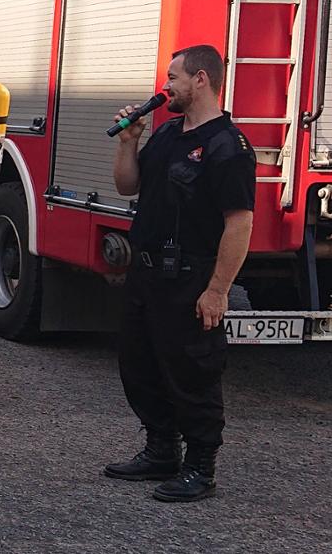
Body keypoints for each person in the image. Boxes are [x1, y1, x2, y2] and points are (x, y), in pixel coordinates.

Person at [105, 45, 255, 503]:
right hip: (148, 274)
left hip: (191, 277)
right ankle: (161, 450)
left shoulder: (227, 146)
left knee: (193, 372)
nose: (165, 86)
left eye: (174, 77)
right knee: (139, 364)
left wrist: (217, 290)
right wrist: (128, 143)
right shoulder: (169, 134)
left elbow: (239, 222)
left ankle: (200, 467)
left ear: (201, 80)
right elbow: (127, 185)